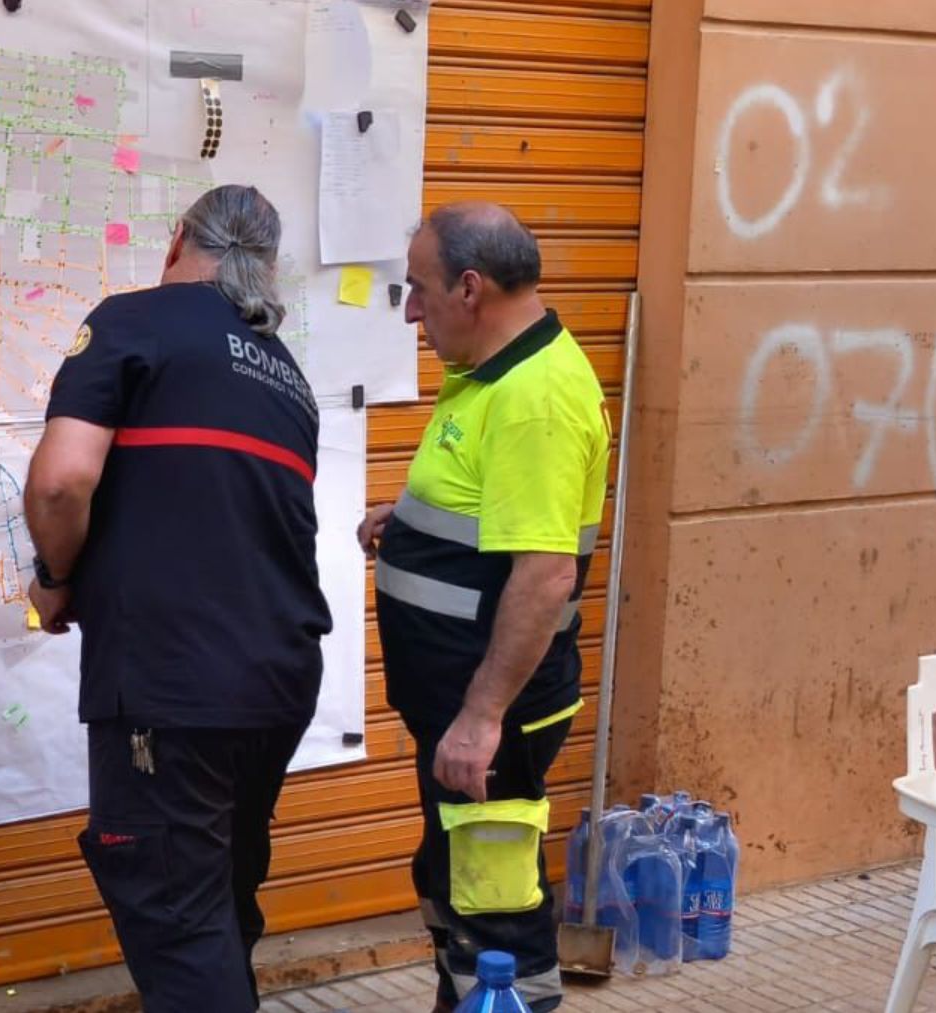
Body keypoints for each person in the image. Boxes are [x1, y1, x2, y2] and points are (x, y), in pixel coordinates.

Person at [24, 185, 331, 1012]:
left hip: (174, 684)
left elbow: (61, 482)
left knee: (179, 918)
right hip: (276, 682)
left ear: (176, 243)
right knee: (220, 898)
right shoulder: (289, 378)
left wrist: (55, 581)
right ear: (264, 273)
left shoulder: (135, 322)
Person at [358, 202, 610, 1013]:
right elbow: (498, 518)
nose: (409, 309)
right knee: (457, 887)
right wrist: (415, 527)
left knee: (496, 913)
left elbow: (542, 576)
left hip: (491, 710)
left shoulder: (535, 397)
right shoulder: (495, 370)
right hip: (462, 703)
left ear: (469, 288)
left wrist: (480, 716)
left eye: (419, 289)